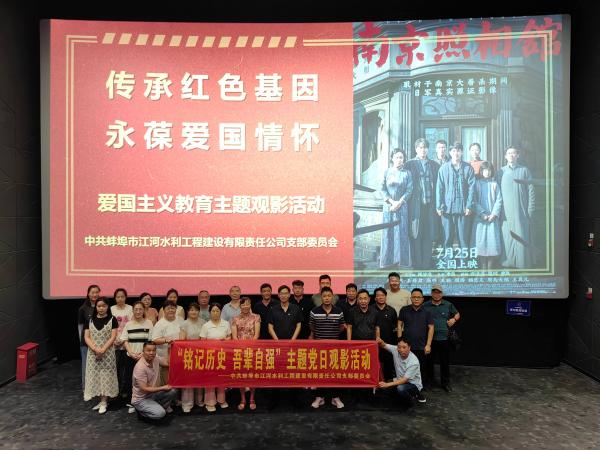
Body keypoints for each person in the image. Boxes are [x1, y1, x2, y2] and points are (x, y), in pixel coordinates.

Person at [405, 138, 440, 269]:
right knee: (416, 234)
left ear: (428, 149)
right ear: (416, 149)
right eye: (420, 147)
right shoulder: (409, 164)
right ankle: (416, 263)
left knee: (428, 234)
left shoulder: (434, 165)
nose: (423, 150)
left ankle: (426, 263)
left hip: (430, 206)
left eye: (425, 147)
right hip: (415, 206)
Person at [499, 146, 536, 268]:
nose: (511, 155)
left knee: (521, 237)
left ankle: (522, 264)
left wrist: (530, 210)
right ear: (505, 156)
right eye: (509, 153)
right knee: (507, 238)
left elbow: (531, 191)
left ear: (518, 155)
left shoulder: (524, 171)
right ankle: (508, 263)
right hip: (505, 213)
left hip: (521, 212)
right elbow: (496, 193)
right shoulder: (501, 172)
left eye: (513, 153)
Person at [309, 287, 345, 409]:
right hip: (319, 348)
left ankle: (336, 397)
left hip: (334, 348)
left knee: (335, 373)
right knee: (320, 373)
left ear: (332, 297)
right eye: (324, 296)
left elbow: (341, 327)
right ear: (321, 297)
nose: (327, 298)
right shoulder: (314, 311)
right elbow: (312, 326)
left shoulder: (338, 311)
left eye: (329, 296)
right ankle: (319, 397)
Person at [267, 286, 303, 409]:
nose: (283, 295)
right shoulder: (273, 309)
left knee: (293, 372)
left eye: (286, 293)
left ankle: (295, 399)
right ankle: (274, 400)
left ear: (289, 295)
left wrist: (292, 340)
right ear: (278, 295)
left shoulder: (295, 308)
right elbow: (270, 327)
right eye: (281, 293)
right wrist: (277, 342)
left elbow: (299, 325)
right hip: (277, 346)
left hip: (292, 346)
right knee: (276, 372)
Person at [436, 142, 476, 252]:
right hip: (447, 208)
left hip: (463, 209)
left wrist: (469, 206)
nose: (456, 153)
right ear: (450, 152)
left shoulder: (468, 168)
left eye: (458, 150)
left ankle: (464, 261)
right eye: (453, 151)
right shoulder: (443, 168)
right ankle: (448, 261)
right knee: (447, 238)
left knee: (463, 239)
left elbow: (472, 189)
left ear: (462, 152)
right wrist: (439, 206)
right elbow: (439, 188)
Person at [83, 297, 119, 414]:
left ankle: (104, 402)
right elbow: (86, 337)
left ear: (107, 307)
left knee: (106, 376)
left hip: (107, 354)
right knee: (96, 375)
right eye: (99, 306)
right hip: (93, 353)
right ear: (96, 307)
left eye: (104, 306)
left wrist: (103, 350)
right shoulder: (90, 320)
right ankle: (101, 400)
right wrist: (95, 349)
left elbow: (113, 337)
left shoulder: (112, 319)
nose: (101, 308)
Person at [423, 284, 460, 392]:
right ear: (431, 293)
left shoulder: (448, 304)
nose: (436, 294)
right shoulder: (425, 305)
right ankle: (429, 382)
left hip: (445, 339)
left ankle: (445, 383)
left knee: (445, 363)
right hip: (430, 340)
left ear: (442, 294)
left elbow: (457, 314)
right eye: (434, 292)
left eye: (438, 292)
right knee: (429, 363)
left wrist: (453, 319)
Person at [380, 148, 413, 268]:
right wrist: (391, 201)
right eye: (397, 157)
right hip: (388, 207)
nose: (399, 160)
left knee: (401, 233)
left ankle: (402, 261)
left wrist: (399, 202)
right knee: (388, 233)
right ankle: (387, 261)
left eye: (401, 157)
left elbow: (409, 190)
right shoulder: (387, 172)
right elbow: (382, 189)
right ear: (392, 158)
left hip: (402, 206)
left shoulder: (407, 173)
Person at [131, 342, 178, 421]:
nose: (151, 353)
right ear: (143, 351)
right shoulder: (140, 367)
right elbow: (144, 389)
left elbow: (168, 363)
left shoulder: (155, 358)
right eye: (148, 350)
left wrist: (170, 349)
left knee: (173, 391)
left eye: (153, 350)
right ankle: (141, 412)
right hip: (141, 399)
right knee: (160, 413)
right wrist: (162, 387)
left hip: (152, 394)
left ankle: (155, 407)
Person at [120, 301, 153, 413]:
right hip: (131, 357)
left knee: (145, 380)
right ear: (132, 311)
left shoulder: (149, 323)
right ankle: (132, 402)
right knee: (131, 380)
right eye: (136, 309)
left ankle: (145, 400)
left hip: (144, 357)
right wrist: (131, 353)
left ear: (144, 310)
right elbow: (125, 340)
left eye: (140, 309)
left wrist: (142, 354)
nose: (138, 311)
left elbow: (150, 341)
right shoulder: (128, 324)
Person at [199, 303, 232, 412]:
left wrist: (226, 340)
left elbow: (230, 337)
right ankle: (210, 402)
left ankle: (221, 400)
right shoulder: (206, 325)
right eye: (213, 311)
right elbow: (202, 343)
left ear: (220, 312)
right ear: (210, 313)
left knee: (221, 378)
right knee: (210, 379)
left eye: (217, 311)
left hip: (223, 356)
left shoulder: (226, 324)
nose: (215, 313)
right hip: (210, 357)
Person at [398, 288, 433, 386]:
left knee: (421, 368)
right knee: (405, 367)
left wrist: (428, 345)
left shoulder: (427, 311)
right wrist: (400, 341)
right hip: (407, 346)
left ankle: (420, 387)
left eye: (418, 297)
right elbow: (399, 325)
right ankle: (407, 385)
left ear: (422, 299)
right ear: (411, 298)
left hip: (421, 346)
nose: (416, 299)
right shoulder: (404, 309)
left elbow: (431, 328)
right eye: (414, 297)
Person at [471, 161, 503, 269]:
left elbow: (499, 200)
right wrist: (482, 214)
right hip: (480, 219)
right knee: (480, 243)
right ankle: (483, 267)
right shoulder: (477, 184)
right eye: (485, 170)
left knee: (492, 243)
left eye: (489, 170)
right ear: (481, 171)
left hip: (492, 219)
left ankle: (490, 267)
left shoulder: (495, 184)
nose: (487, 172)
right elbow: (474, 200)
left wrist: (494, 214)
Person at [231, 297, 261, 411]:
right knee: (241, 376)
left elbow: (256, 335)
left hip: (252, 351)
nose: (245, 306)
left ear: (250, 305)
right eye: (243, 304)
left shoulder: (256, 317)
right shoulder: (235, 319)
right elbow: (234, 336)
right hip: (239, 351)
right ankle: (243, 399)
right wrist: (241, 349)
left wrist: (249, 348)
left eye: (247, 304)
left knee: (252, 376)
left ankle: (252, 399)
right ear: (240, 306)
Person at [376, 336, 425, 404]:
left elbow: (405, 380)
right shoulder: (396, 350)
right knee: (387, 389)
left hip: (412, 384)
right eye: (399, 347)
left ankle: (412, 399)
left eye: (404, 347)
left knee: (400, 388)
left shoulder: (414, 362)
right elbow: (383, 345)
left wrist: (387, 384)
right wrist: (380, 341)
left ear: (409, 347)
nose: (401, 350)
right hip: (400, 379)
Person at [179, 303, 207, 413]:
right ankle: (187, 404)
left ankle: (199, 401)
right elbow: (181, 341)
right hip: (188, 354)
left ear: (199, 311)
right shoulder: (184, 324)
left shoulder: (203, 323)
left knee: (199, 378)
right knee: (188, 379)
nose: (193, 312)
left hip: (200, 354)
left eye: (195, 310)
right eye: (191, 310)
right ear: (187, 312)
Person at [151, 300, 184, 385]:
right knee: (167, 383)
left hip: (179, 357)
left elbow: (184, 333)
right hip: (164, 359)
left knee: (179, 381)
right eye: (168, 308)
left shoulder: (181, 320)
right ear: (164, 310)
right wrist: (165, 340)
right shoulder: (160, 324)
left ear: (176, 310)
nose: (171, 310)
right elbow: (154, 340)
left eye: (173, 308)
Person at [111, 288, 133, 404]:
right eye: (118, 297)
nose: (120, 299)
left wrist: (123, 339)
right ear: (115, 298)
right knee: (116, 369)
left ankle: (126, 392)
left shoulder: (130, 309)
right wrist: (114, 339)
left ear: (125, 297)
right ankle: (116, 392)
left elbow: (131, 325)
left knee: (127, 369)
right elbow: (110, 327)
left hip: (127, 342)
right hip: (114, 343)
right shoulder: (111, 309)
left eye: (122, 296)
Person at [373, 287, 398, 381]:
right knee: (375, 363)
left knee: (389, 364)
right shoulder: (371, 309)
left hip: (389, 343)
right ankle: (376, 382)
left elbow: (395, 327)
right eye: (378, 295)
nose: (380, 297)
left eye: (382, 295)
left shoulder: (391, 310)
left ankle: (388, 383)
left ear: (386, 296)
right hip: (374, 343)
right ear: (375, 298)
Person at [78, 284, 100, 389]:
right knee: (86, 366)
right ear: (88, 294)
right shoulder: (83, 308)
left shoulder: (103, 306)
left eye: (97, 292)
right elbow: (80, 326)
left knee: (98, 366)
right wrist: (81, 340)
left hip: (100, 342)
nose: (95, 294)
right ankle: (86, 388)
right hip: (86, 342)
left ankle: (97, 388)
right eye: (92, 292)